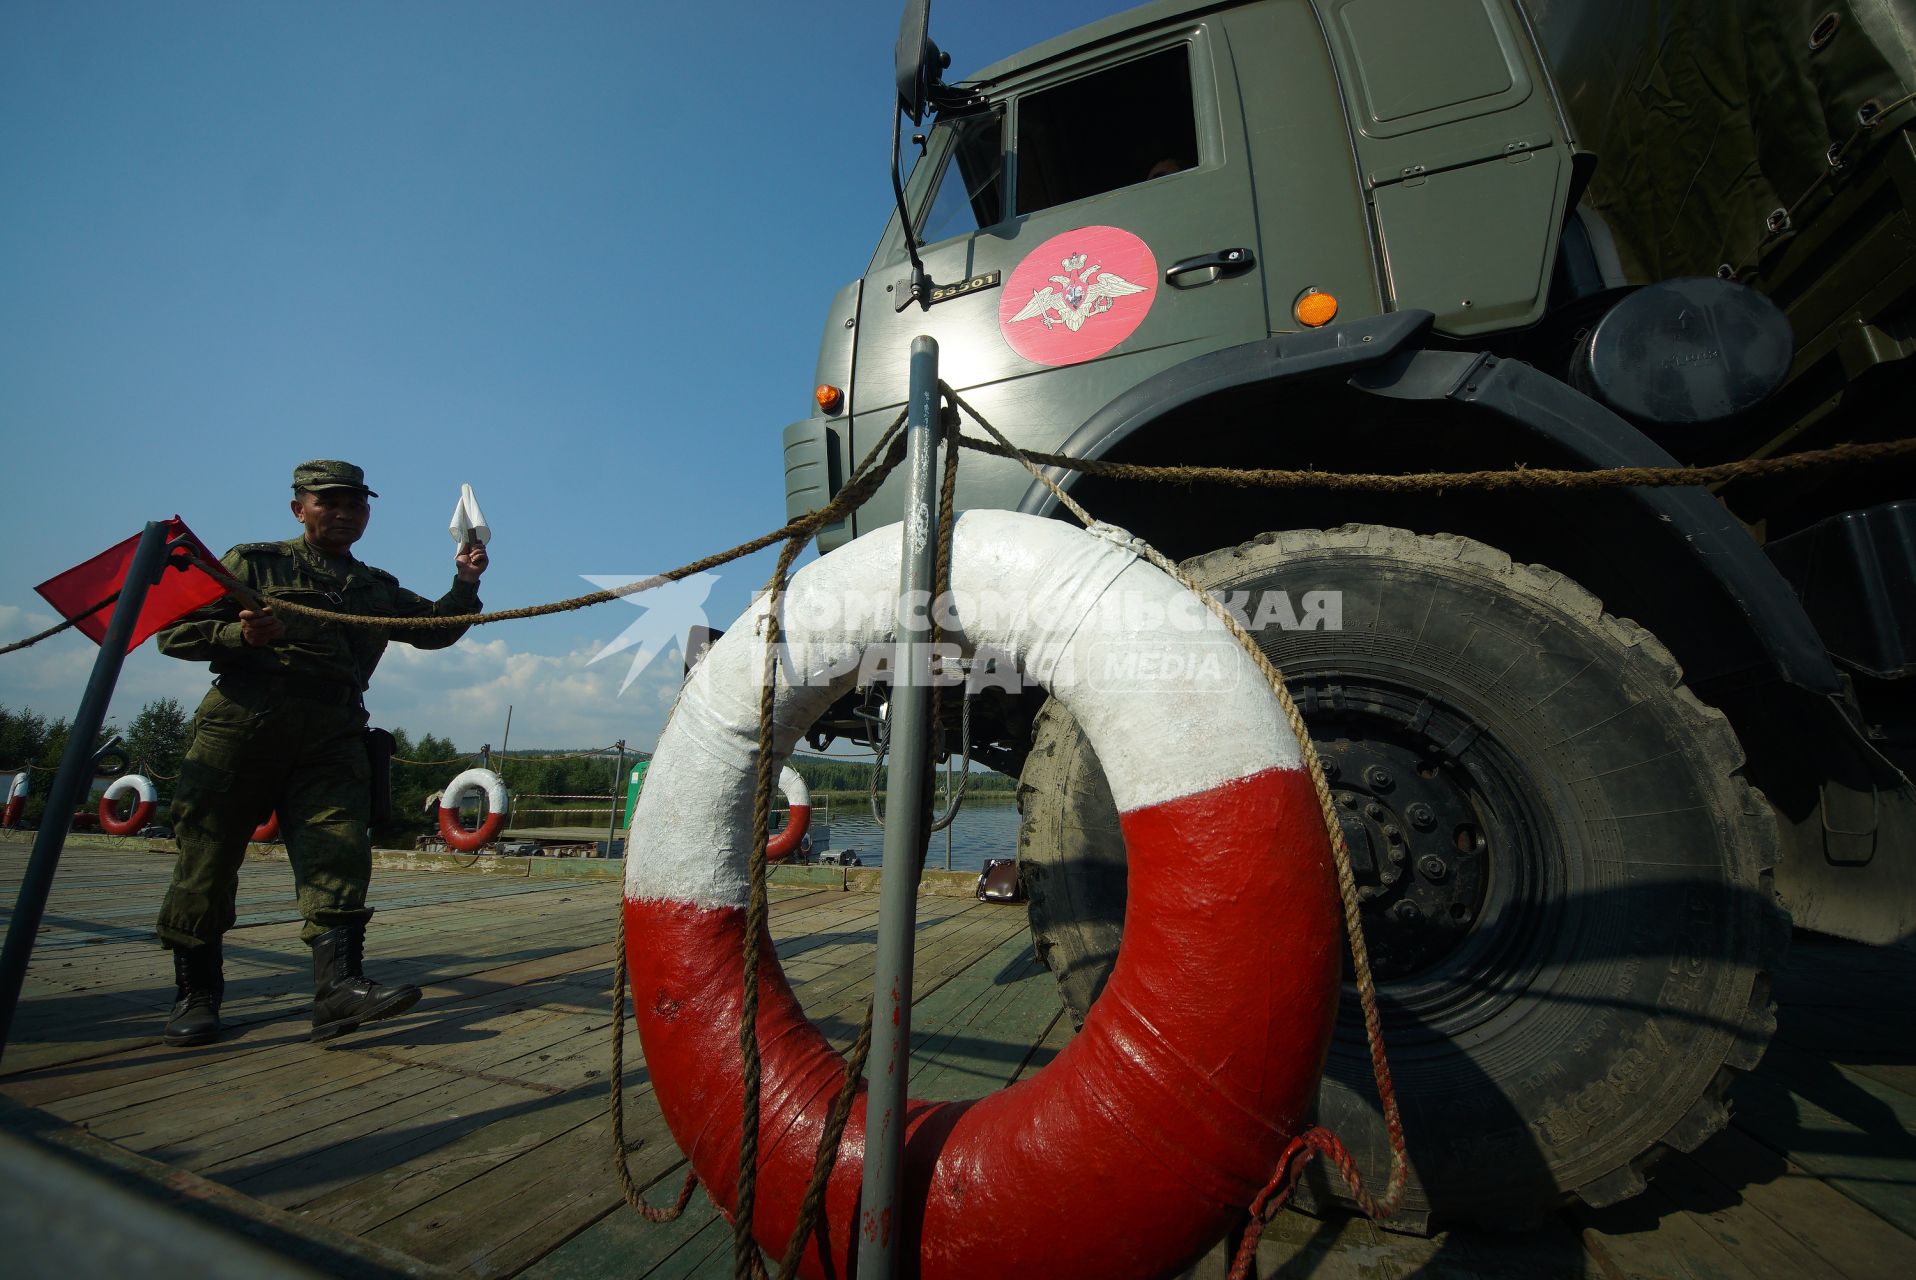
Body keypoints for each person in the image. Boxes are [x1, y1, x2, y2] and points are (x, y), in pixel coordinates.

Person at [153, 460, 490, 1046]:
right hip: (242, 728)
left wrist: (465, 582)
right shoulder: (252, 564)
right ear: (298, 508)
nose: (343, 513)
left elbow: (435, 629)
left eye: (355, 504)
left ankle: (339, 991)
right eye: (328, 502)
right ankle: (196, 994)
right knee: (206, 859)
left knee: (340, 853)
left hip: (334, 734)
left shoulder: (372, 586)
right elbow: (172, 633)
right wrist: (238, 636)